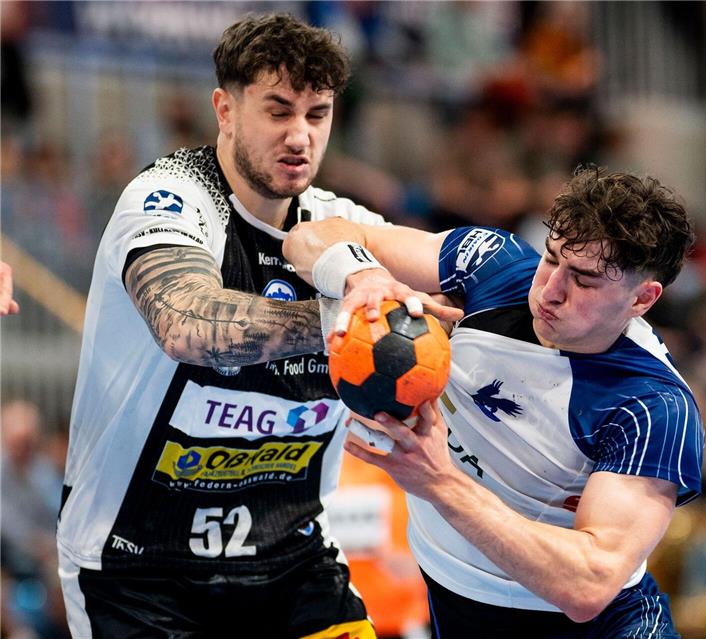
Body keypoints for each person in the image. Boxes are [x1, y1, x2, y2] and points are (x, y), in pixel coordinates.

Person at [56, 14, 457, 639]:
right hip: (137, 573)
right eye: (278, 110)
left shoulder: (343, 223)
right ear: (225, 109)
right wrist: (343, 322)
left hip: (291, 564)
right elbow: (184, 322)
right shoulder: (169, 196)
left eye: (317, 115)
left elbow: (452, 283)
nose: (299, 136)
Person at [283, 167, 704, 638]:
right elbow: (308, 237)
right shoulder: (493, 265)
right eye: (551, 259)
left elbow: (589, 585)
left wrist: (438, 482)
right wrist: (361, 277)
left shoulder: (653, 406)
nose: (550, 290)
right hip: (455, 604)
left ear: (642, 299)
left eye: (584, 281)